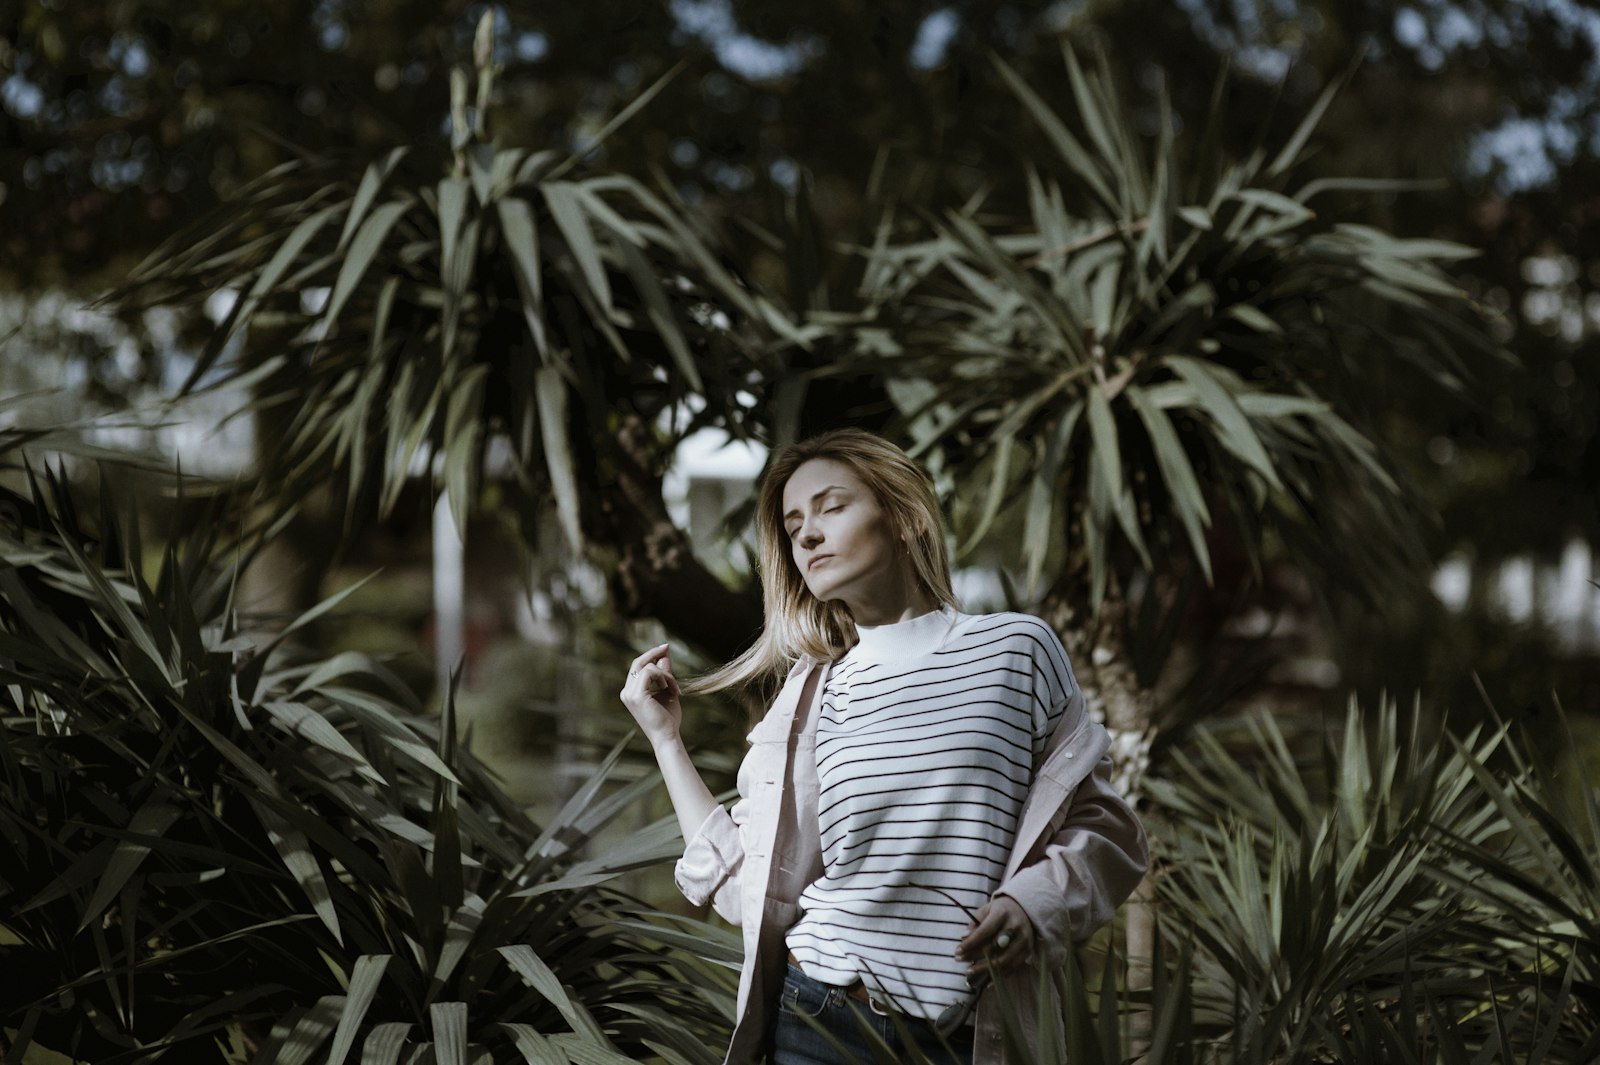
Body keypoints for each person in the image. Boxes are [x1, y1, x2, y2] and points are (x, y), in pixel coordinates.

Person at [619, 428, 1148, 1065]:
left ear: (906, 520)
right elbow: (747, 888)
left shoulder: (1016, 650)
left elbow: (1108, 826)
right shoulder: (812, 695)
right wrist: (665, 739)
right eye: (792, 526)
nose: (807, 535)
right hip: (818, 1019)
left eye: (831, 507)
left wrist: (1032, 901)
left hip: (968, 1035)